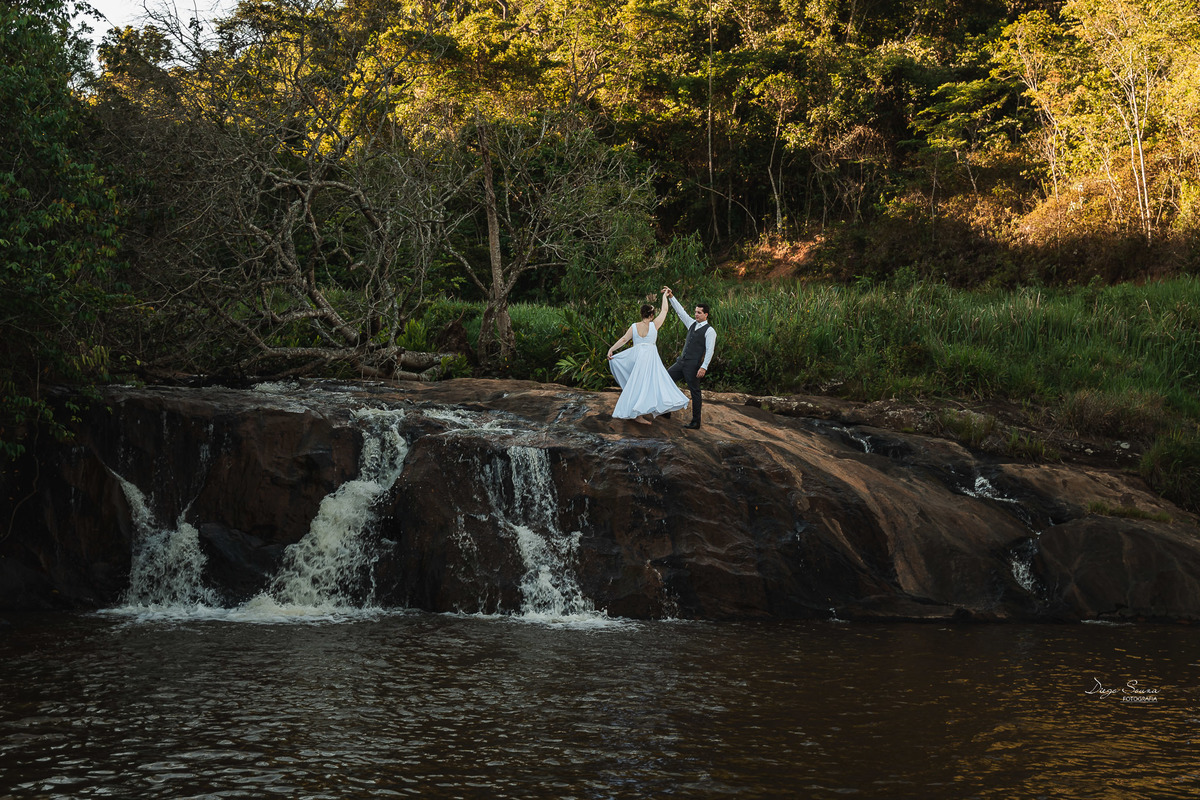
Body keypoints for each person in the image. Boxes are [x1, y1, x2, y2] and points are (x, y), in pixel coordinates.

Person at [607, 291, 690, 425]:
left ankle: (638, 412)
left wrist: (612, 349)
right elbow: (664, 310)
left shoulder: (634, 326)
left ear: (641, 314)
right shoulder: (654, 324)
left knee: (639, 384)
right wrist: (664, 296)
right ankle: (638, 414)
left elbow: (623, 339)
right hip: (650, 358)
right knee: (649, 384)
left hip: (639, 357)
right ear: (651, 315)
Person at [663, 286, 716, 430]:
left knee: (695, 392)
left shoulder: (710, 331)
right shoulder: (692, 324)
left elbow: (710, 350)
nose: (696, 315)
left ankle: (696, 421)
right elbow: (681, 312)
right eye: (695, 312)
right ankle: (667, 411)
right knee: (666, 379)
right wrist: (671, 296)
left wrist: (704, 367)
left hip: (693, 365)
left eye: (699, 313)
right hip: (681, 362)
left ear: (706, 315)